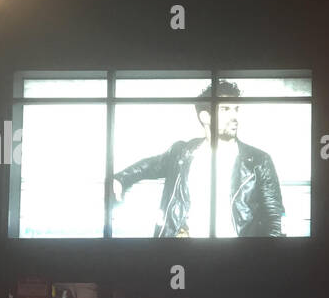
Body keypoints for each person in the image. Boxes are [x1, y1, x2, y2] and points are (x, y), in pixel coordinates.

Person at [112, 79, 285, 237]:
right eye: (225, 109)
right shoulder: (182, 153)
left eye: (236, 109)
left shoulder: (258, 160)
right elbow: (150, 166)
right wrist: (120, 178)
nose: (234, 116)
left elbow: (274, 218)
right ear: (205, 117)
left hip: (237, 256)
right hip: (186, 253)